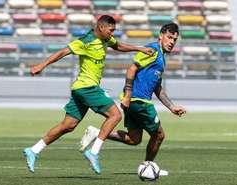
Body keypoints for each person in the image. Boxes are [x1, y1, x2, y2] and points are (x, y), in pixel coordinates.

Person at [23, 15, 154, 174]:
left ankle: (34, 150)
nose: (112, 34)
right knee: (115, 115)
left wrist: (139, 48)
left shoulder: (106, 39)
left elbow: (118, 46)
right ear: (101, 27)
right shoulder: (86, 41)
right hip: (87, 87)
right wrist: (41, 65)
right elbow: (63, 52)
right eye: (111, 30)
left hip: (81, 89)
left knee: (68, 125)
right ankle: (93, 152)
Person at [79, 23, 186, 172]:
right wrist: (128, 95)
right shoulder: (153, 50)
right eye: (169, 37)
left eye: (175, 39)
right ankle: (148, 167)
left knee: (133, 139)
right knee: (159, 135)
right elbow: (131, 69)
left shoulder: (161, 58)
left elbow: (157, 87)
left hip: (135, 101)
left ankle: (97, 132)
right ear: (161, 35)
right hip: (138, 101)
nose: (172, 42)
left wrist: (172, 106)